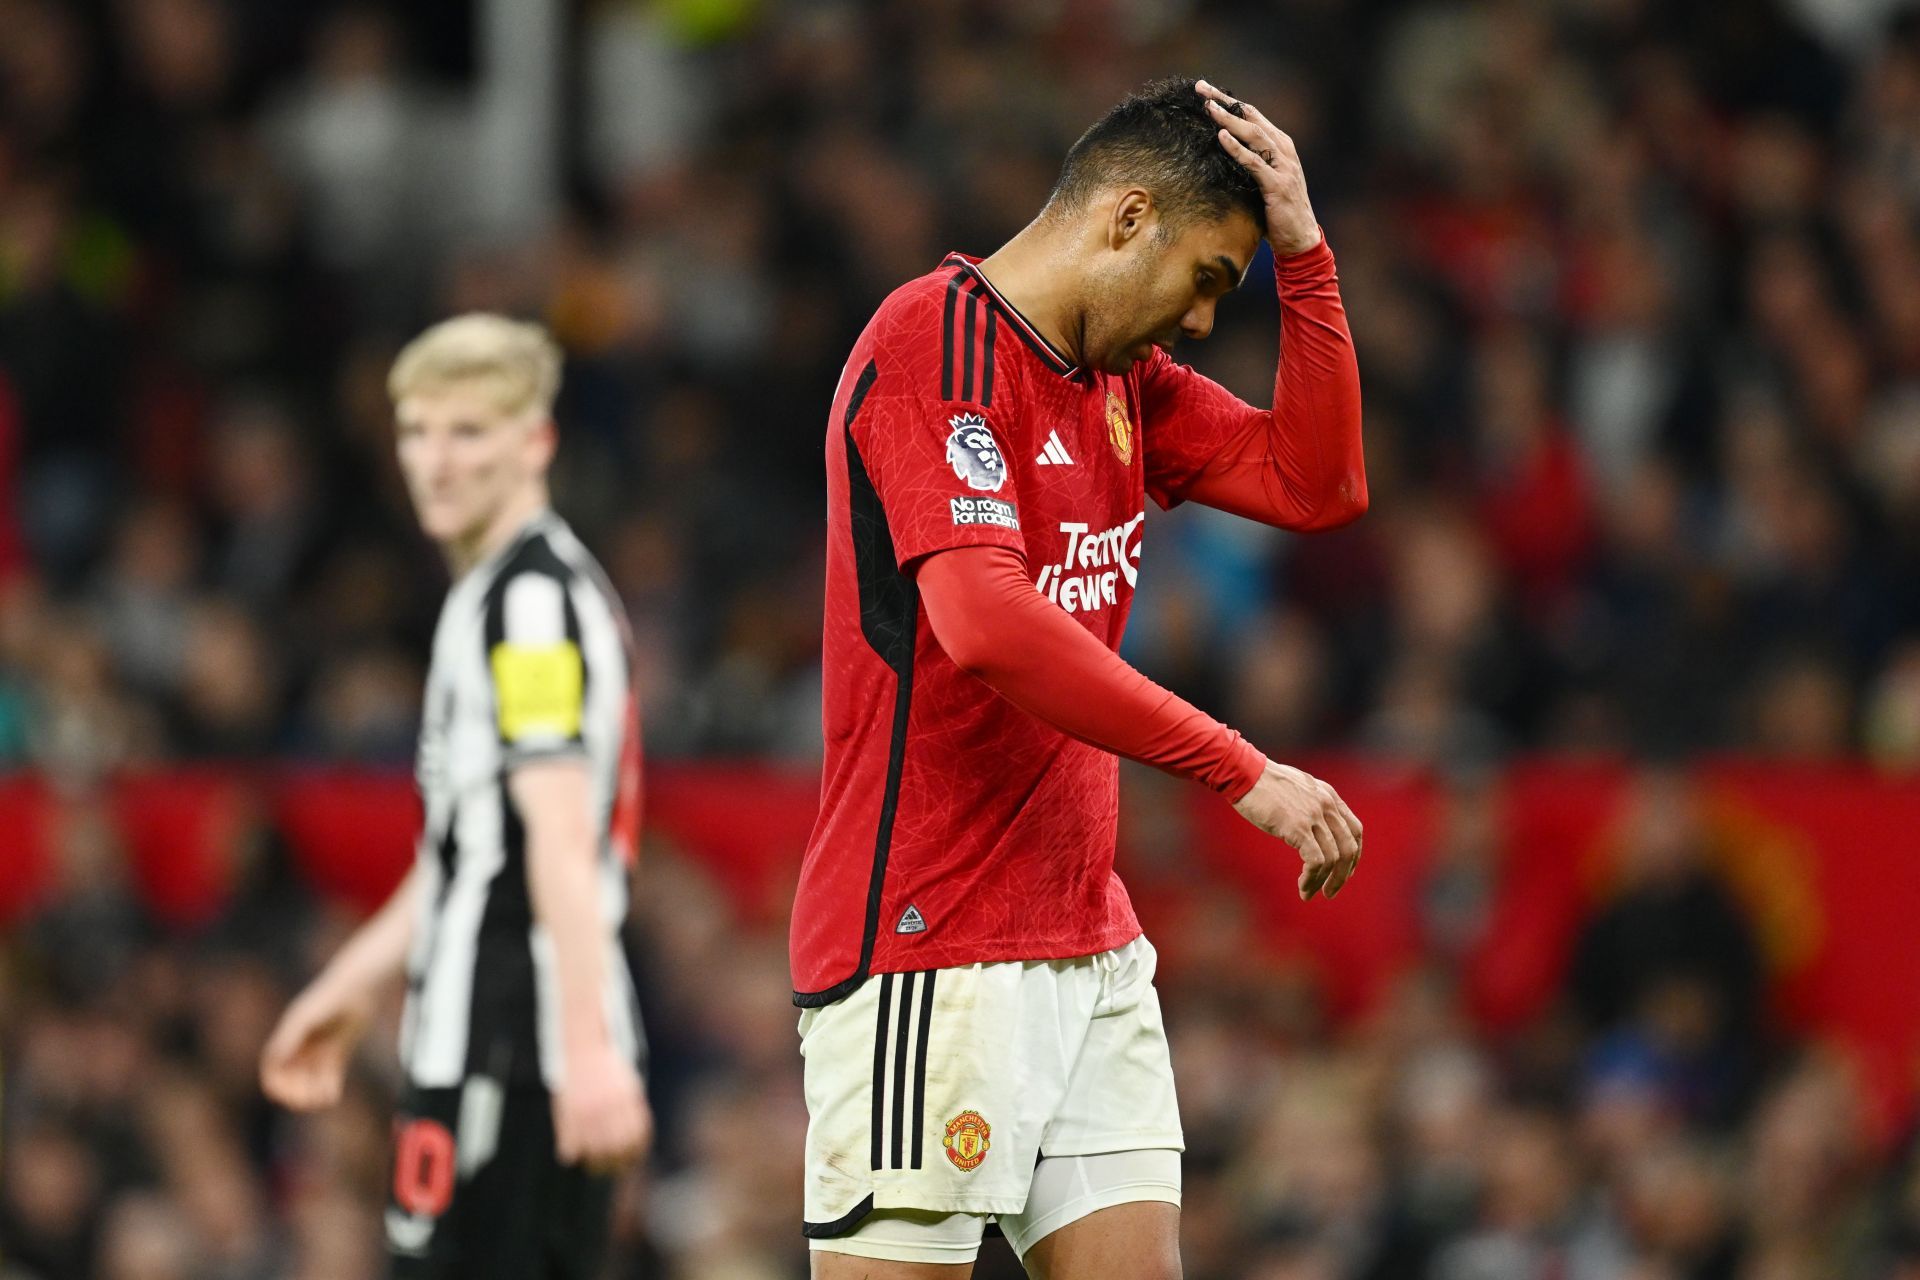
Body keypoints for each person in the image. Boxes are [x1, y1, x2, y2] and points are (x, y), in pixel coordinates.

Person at [792, 77, 1368, 1277]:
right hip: (928, 948)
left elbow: (1316, 483)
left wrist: (1304, 254)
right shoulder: (931, 342)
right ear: (1126, 219)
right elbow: (988, 626)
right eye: (1208, 278)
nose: (1204, 323)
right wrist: (1239, 767)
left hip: (1089, 945)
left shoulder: (1121, 381)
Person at [258, 315, 651, 1279]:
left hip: (514, 1053)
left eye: (468, 431)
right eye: (417, 431)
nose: (435, 461)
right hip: (484, 1042)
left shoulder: (530, 610)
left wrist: (587, 1049)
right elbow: (474, 849)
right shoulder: (493, 594)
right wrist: (354, 984)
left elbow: (559, 837)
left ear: (536, 441)